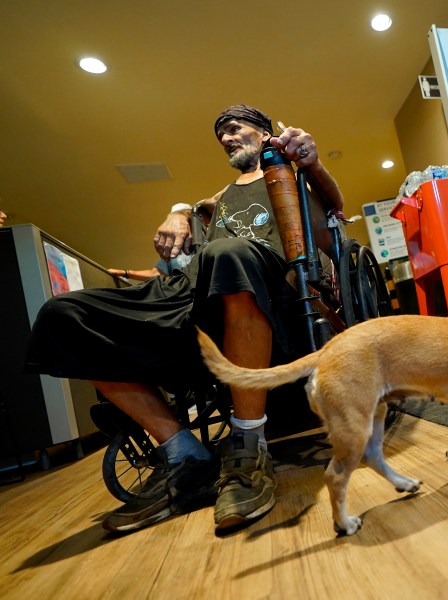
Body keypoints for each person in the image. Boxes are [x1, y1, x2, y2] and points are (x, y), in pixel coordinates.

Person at [25, 104, 345, 533]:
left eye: (234, 128)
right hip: (192, 293)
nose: (227, 138)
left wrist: (312, 159)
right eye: (221, 136)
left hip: (266, 289)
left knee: (226, 253)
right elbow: (196, 208)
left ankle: (249, 443)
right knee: (63, 315)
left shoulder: (293, 171)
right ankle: (184, 455)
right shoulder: (219, 197)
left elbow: (333, 206)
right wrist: (179, 210)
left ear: (265, 130)